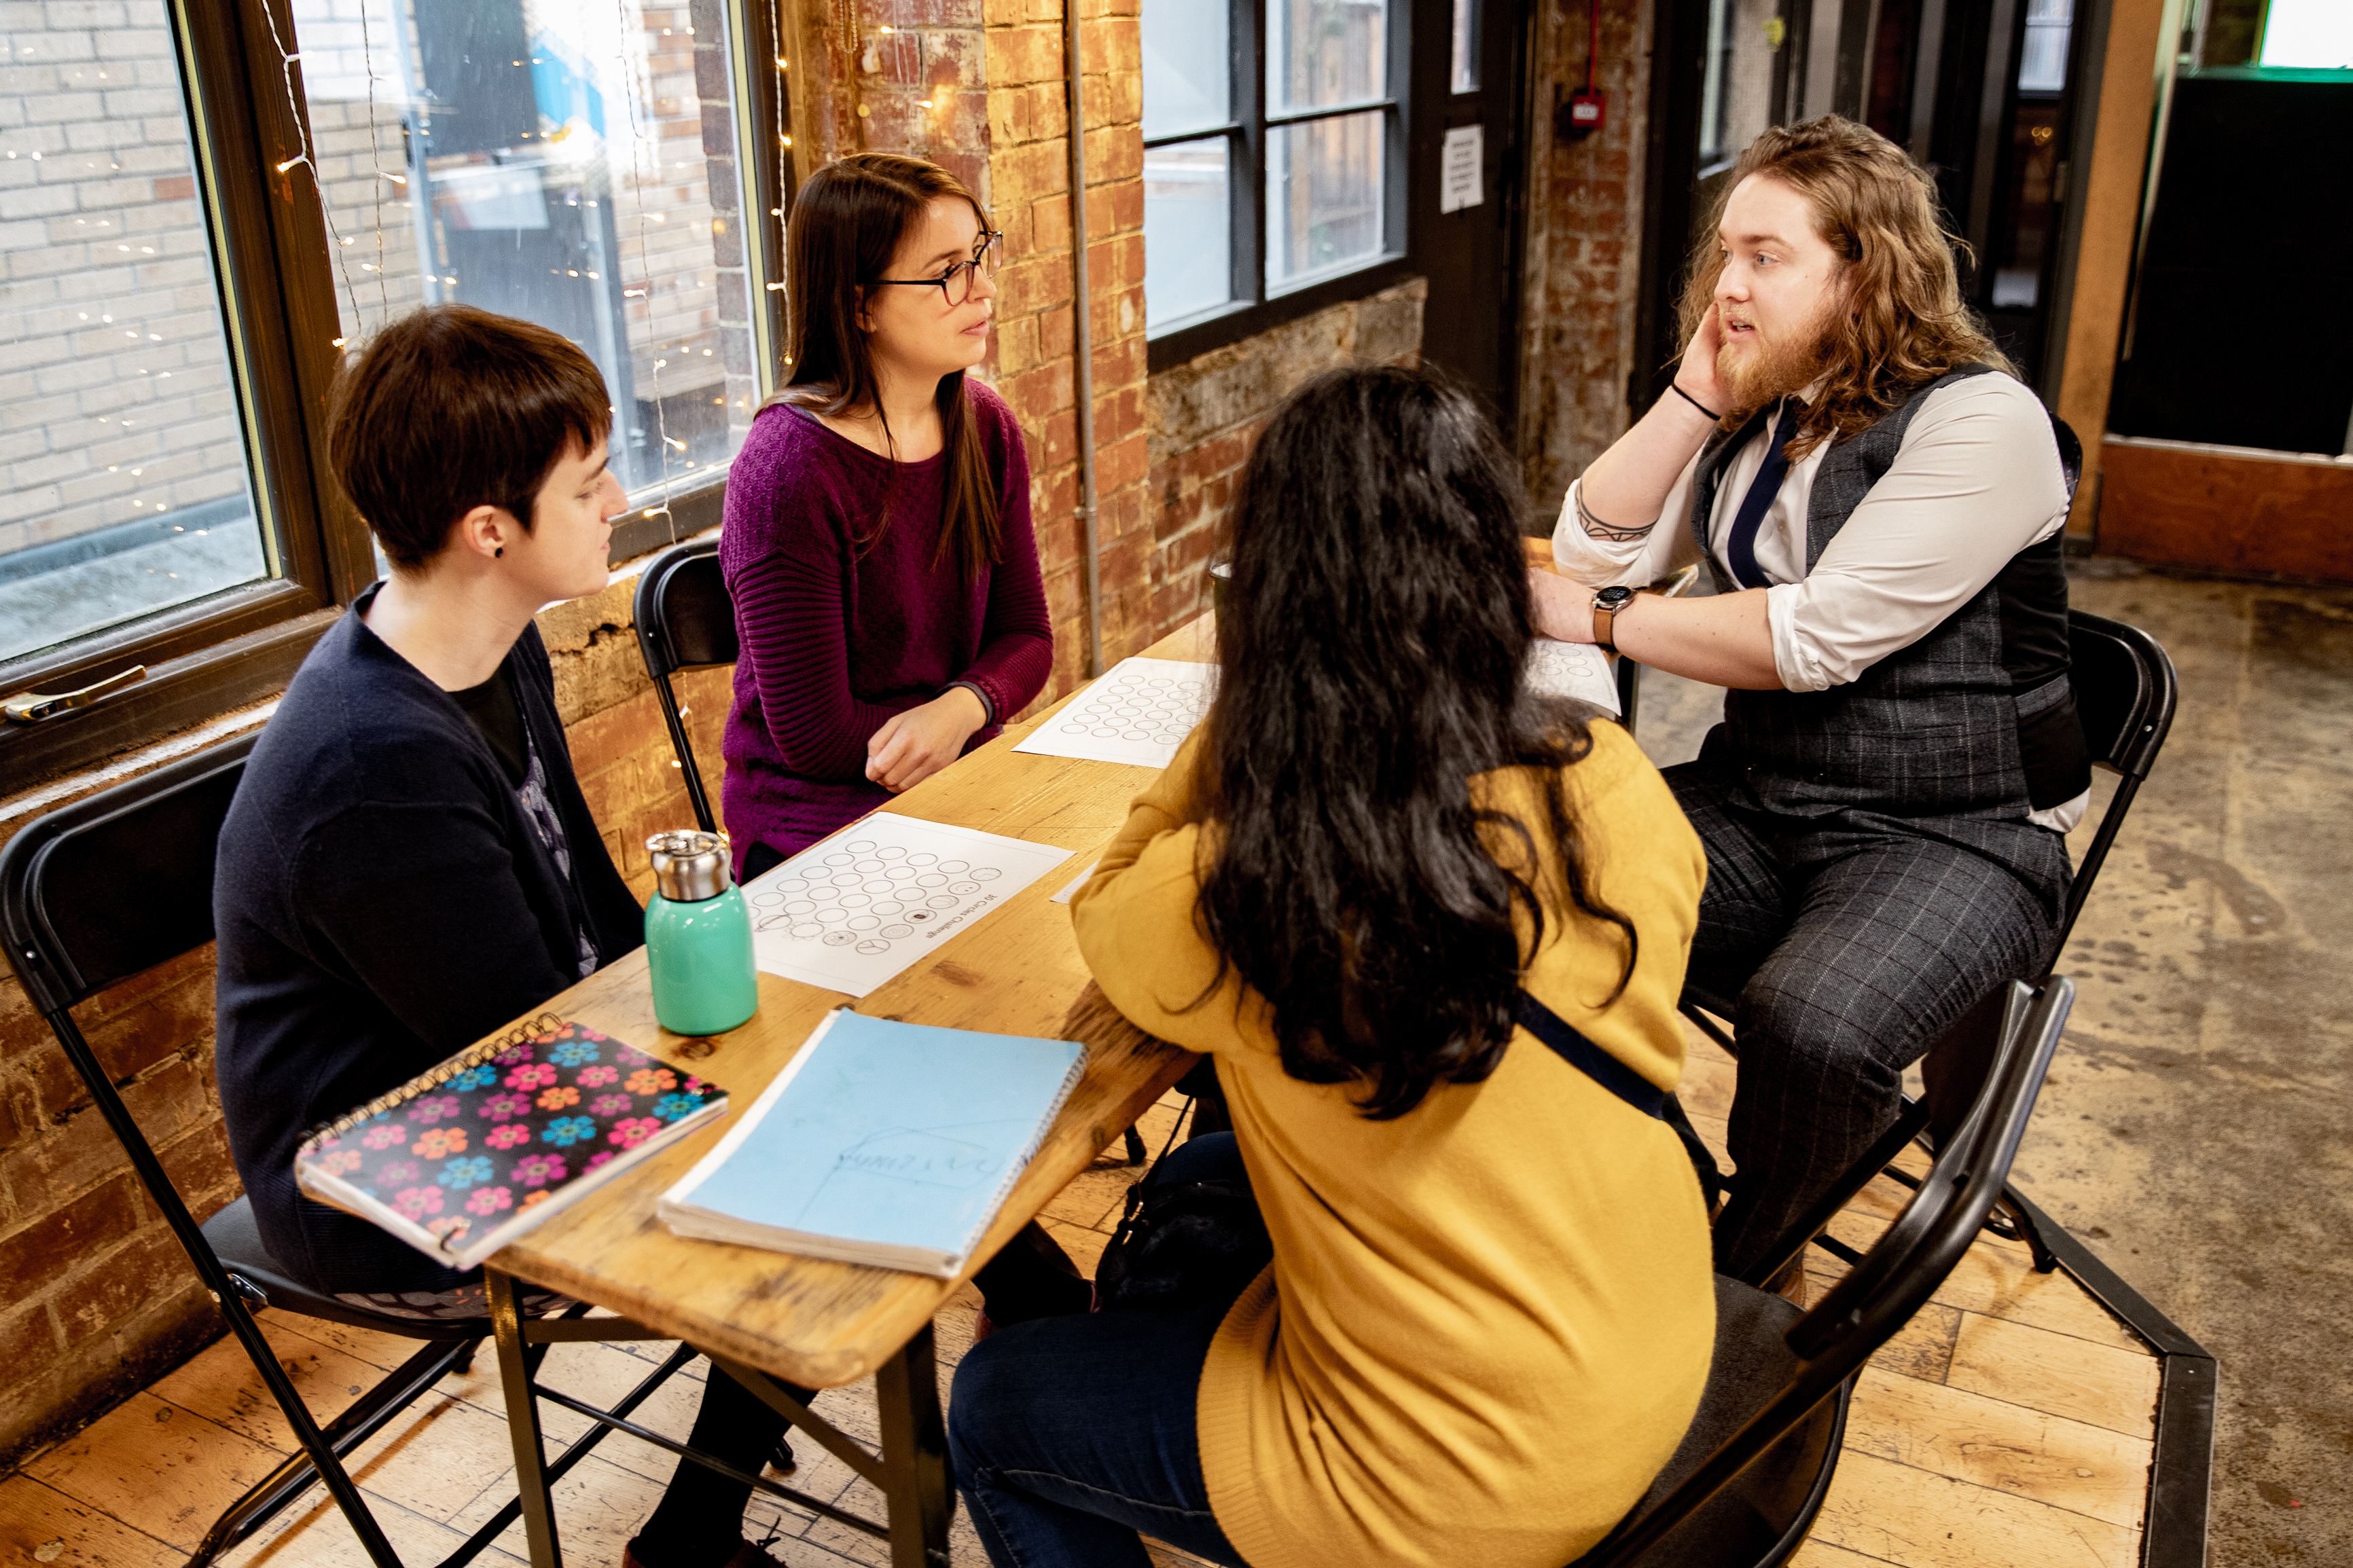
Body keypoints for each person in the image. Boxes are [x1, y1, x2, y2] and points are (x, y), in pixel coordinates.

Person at [948, 366, 1718, 1568]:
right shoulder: (1602, 780)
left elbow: (1103, 910)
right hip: (1652, 1345)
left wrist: (1260, 715)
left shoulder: (1259, 888)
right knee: (1207, 1178)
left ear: (1269, 600)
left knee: (996, 1401)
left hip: (1454, 1482)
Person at [213, 305, 802, 1568]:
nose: (616, 499)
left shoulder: (488, 646)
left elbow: (588, 921)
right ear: (493, 531)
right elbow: (533, 1048)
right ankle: (695, 1528)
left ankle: (751, 1455)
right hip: (384, 1176)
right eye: (588, 483)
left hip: (510, 1070)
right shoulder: (374, 766)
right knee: (804, 1175)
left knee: (828, 1080)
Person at [1527, 115, 2089, 1283]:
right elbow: (1589, 544)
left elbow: (1813, 636)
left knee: (1811, 1024)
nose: (1727, 285)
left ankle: (1750, 1278)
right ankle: (1645, 1183)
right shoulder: (1767, 408)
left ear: (1861, 271)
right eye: (1723, 255)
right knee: (1516, 875)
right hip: (1767, 801)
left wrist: (1598, 623)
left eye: (1764, 258)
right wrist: (1692, 388)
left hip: (1953, 832)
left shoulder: (1979, 422)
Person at [719, 151, 1052, 880]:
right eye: (946, 273)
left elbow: (1025, 635)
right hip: (818, 817)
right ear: (859, 303)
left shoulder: (982, 425)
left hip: (958, 762)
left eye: (979, 256)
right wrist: (955, 726)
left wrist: (962, 707)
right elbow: (816, 735)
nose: (982, 289)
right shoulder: (787, 472)